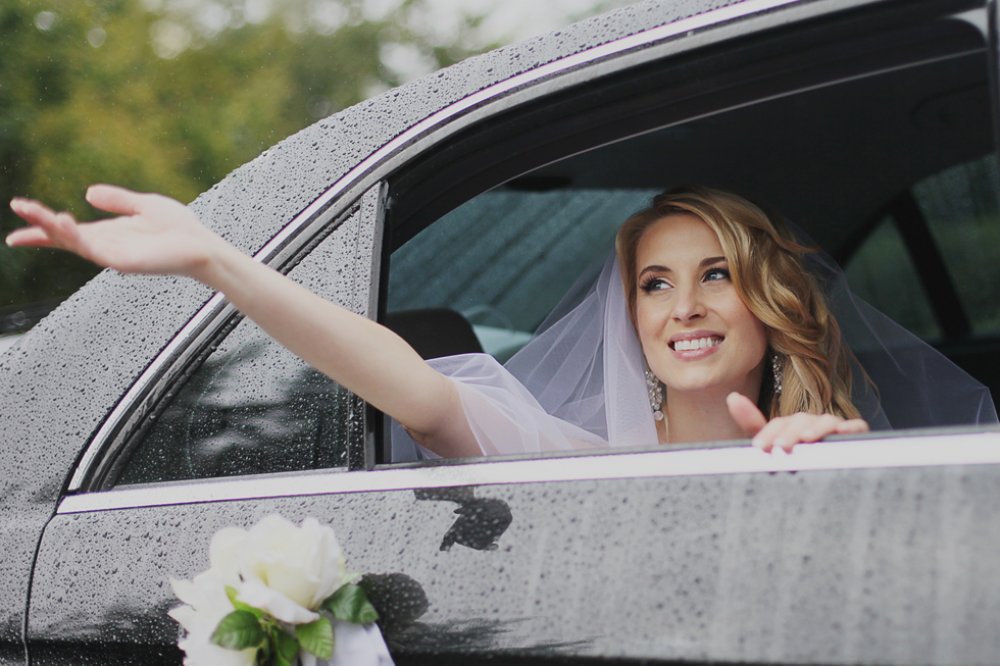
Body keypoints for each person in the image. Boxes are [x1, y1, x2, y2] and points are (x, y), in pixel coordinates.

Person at [7, 183, 947, 459]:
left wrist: (838, 473)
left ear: (771, 304)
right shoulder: (577, 459)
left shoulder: (835, 449)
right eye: (655, 284)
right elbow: (417, 392)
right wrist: (218, 261)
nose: (685, 307)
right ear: (630, 314)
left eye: (717, 276)